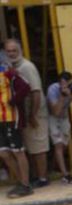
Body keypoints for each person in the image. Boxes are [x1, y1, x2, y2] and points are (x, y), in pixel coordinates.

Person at [5, 39, 50, 188]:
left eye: (14, 50)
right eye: (9, 51)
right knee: (29, 147)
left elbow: (36, 92)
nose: (11, 53)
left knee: (38, 147)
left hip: (34, 112)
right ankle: (35, 177)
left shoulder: (27, 67)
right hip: (23, 114)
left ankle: (42, 178)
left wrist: (33, 115)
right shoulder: (12, 67)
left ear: (20, 50)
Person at [46, 72, 72, 184]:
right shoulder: (53, 89)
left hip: (64, 118)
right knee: (58, 144)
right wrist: (63, 96)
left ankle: (52, 168)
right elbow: (55, 112)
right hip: (52, 117)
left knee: (63, 145)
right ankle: (66, 175)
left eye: (70, 85)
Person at [0, 63, 32, 198]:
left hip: (10, 118)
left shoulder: (7, 72)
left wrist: (13, 101)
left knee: (18, 151)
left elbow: (26, 87)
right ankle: (21, 183)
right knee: (4, 153)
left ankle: (25, 185)